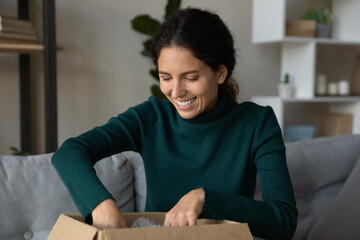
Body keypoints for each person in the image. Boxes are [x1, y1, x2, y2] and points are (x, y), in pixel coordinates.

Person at [52, 8, 297, 239]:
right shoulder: (150, 117)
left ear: (221, 73)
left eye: (191, 78)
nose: (177, 92)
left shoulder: (257, 123)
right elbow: (70, 153)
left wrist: (204, 199)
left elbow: (283, 220)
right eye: (166, 78)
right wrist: (101, 204)